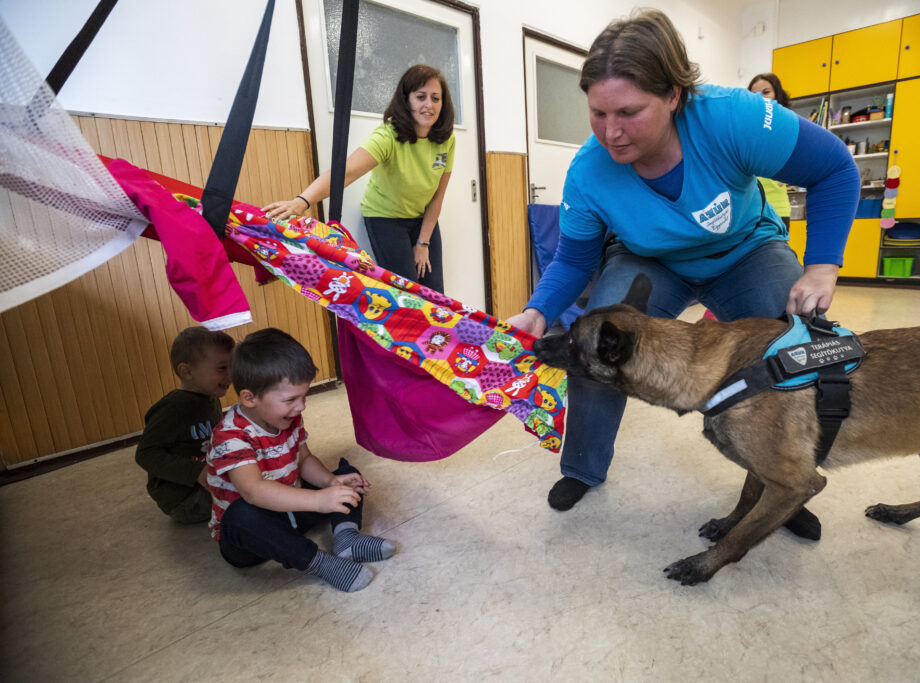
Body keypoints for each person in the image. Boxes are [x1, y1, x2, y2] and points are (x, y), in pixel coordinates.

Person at [507, 9, 860, 540]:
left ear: (673, 95)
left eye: (628, 111)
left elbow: (835, 168)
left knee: (789, 347)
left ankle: (781, 480)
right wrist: (538, 310)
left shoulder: (732, 117)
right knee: (597, 339)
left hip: (746, 249)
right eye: (598, 113)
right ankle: (581, 466)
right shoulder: (588, 171)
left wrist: (822, 267)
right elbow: (575, 258)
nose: (611, 132)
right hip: (652, 261)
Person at [207, 328, 395, 593]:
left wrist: (331, 482)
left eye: (304, 396)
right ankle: (320, 562)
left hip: (290, 508)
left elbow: (304, 458)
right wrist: (319, 501)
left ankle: (347, 539)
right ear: (250, 398)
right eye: (291, 399)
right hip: (252, 536)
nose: (302, 406)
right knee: (240, 517)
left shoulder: (288, 418)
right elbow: (253, 491)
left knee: (347, 473)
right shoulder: (230, 436)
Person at [263, 64, 455, 293]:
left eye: (436, 98)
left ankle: (439, 331)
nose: (429, 105)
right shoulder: (388, 137)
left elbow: (437, 196)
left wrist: (423, 243)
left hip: (423, 219)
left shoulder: (446, 140)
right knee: (409, 292)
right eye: (420, 97)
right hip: (387, 219)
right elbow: (345, 173)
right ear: (406, 100)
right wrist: (302, 201)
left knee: (436, 292)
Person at [135, 327, 234, 524]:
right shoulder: (174, 407)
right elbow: (145, 454)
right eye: (222, 368)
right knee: (251, 492)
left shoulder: (209, 396)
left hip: (208, 481)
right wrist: (196, 472)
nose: (230, 375)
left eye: (233, 366)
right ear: (187, 371)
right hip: (183, 499)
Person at [748, 72, 793, 226]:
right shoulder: (748, 130)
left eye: (766, 92)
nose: (761, 98)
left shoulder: (786, 125)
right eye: (755, 95)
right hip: (750, 211)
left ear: (777, 95)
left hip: (777, 209)